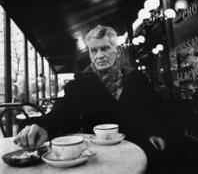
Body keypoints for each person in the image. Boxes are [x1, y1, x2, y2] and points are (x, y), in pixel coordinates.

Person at [14, 25, 169, 170]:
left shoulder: (137, 79)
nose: (99, 55)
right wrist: (42, 126)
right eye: (94, 50)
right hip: (97, 156)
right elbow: (62, 112)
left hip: (137, 149)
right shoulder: (79, 84)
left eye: (105, 48)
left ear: (117, 51)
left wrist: (158, 132)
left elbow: (157, 110)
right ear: (89, 54)